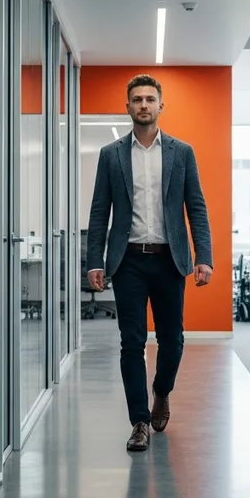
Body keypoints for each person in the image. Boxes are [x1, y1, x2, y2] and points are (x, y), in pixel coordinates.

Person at [86, 74, 213, 452]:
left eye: (149, 99)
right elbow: (99, 212)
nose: (144, 105)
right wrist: (96, 260)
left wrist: (203, 256)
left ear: (160, 105)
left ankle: (161, 391)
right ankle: (139, 421)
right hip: (128, 263)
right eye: (137, 99)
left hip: (169, 260)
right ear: (128, 107)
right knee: (132, 343)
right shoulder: (111, 155)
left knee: (172, 341)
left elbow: (197, 207)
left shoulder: (181, 152)